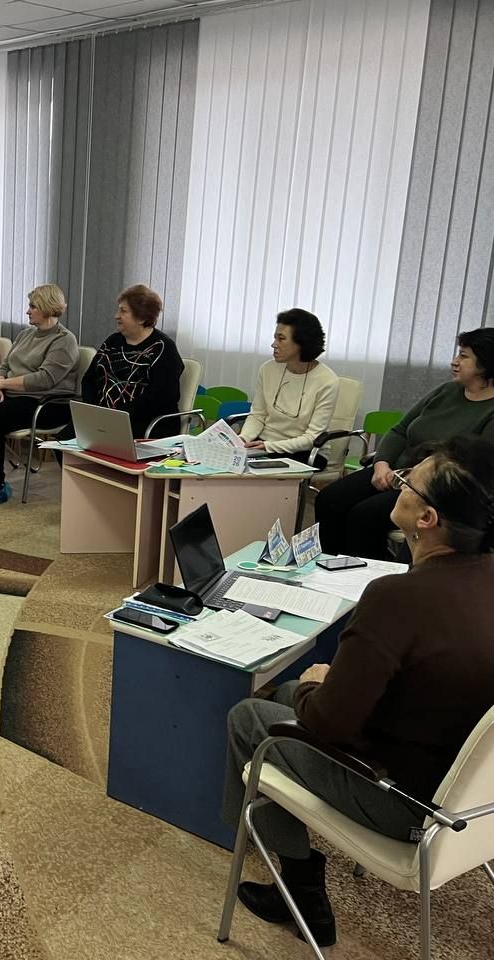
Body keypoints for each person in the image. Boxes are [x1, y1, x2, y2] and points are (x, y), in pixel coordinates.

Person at [222, 435, 494, 948]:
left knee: (248, 717)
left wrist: (314, 687)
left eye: (410, 481)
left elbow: (330, 724)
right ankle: (273, 827)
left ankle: (298, 886)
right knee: (283, 695)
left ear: (426, 518)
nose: (399, 482)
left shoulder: (398, 597)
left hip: (401, 798)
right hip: (474, 802)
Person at [315, 328, 494, 559]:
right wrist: (381, 464)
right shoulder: (446, 391)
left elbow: (473, 468)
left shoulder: (489, 411)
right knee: (329, 499)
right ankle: (328, 564)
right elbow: (400, 430)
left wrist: (412, 477)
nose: (454, 361)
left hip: (430, 487)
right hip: (392, 471)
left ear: (485, 364)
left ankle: (372, 575)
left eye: (464, 356)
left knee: (364, 516)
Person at [0, 284, 80, 508]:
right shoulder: (25, 335)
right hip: (14, 396)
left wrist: (3, 383)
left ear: (47, 307)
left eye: (33, 306)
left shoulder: (64, 340)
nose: (27, 311)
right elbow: (4, 365)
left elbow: (44, 379)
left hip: (47, 403)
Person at [79, 285, 184, 438]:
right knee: (62, 441)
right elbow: (89, 379)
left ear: (141, 318)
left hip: (144, 423)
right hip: (103, 419)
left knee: (96, 441)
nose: (116, 316)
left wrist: (117, 415)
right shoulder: (112, 342)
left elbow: (161, 398)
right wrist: (95, 410)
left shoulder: (163, 348)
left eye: (123, 311)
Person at [239, 309, 340, 456]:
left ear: (301, 342)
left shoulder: (327, 381)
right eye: (275, 338)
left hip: (304, 450)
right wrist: (243, 438)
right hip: (263, 444)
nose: (274, 344)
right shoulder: (268, 369)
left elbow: (312, 437)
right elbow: (258, 415)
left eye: (281, 339)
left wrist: (269, 447)